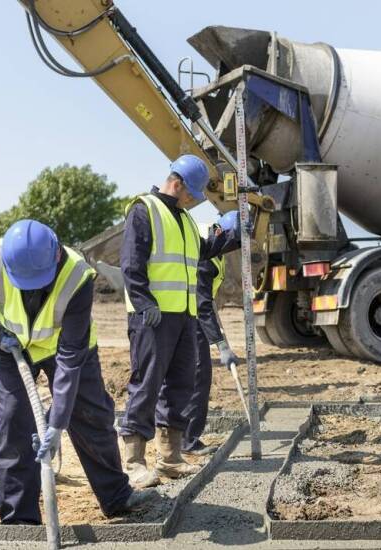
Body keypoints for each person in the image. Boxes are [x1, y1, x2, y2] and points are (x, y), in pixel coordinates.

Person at [0, 219, 150, 524]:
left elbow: (70, 357)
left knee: (91, 415)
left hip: (67, 349)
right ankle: (19, 519)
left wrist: (56, 424)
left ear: (55, 255)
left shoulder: (78, 275)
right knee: (13, 421)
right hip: (11, 349)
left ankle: (116, 497)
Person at [118, 154, 236, 487]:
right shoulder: (145, 210)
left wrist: (233, 233)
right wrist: (143, 303)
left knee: (180, 384)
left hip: (184, 316)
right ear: (178, 182)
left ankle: (169, 457)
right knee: (147, 383)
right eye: (193, 194)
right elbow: (131, 263)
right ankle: (133, 463)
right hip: (152, 317)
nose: (194, 201)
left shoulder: (183, 220)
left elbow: (201, 252)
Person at [182, 212, 241, 456]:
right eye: (233, 242)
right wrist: (221, 345)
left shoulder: (215, 250)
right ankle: (188, 441)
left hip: (191, 314)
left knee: (193, 377)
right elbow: (202, 304)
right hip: (189, 317)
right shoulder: (205, 256)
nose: (233, 249)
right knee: (198, 377)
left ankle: (183, 437)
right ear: (221, 234)